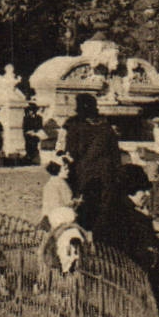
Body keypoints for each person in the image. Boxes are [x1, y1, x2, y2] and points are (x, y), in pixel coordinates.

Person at [64, 93, 122, 230]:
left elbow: (72, 152)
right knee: (104, 207)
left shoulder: (76, 127)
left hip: (85, 173)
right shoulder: (106, 128)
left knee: (85, 207)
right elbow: (116, 155)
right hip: (106, 173)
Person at [40, 158, 74, 228]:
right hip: (60, 217)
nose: (68, 171)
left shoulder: (49, 183)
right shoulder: (61, 183)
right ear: (58, 170)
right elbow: (68, 202)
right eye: (65, 169)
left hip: (47, 217)